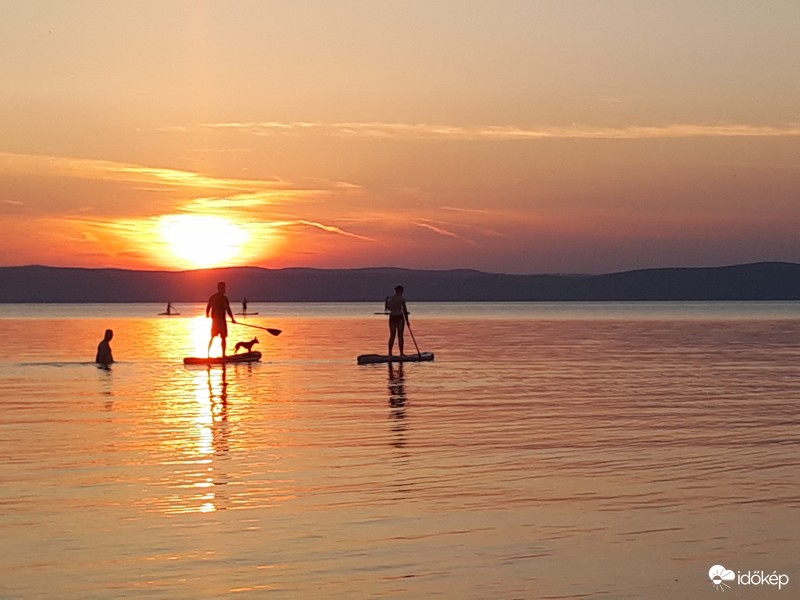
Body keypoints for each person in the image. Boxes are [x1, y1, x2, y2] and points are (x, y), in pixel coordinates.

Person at [206, 281, 236, 357]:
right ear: (221, 288)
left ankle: (209, 355)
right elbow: (227, 309)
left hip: (216, 321)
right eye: (223, 288)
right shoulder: (223, 298)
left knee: (214, 337)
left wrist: (207, 314)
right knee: (222, 337)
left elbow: (208, 307)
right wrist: (232, 319)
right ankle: (222, 355)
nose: (225, 289)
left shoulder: (213, 297)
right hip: (220, 321)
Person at [385, 285, 409, 356]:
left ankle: (390, 353)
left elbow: (388, 309)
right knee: (400, 336)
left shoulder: (390, 299)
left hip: (392, 317)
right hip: (399, 317)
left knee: (392, 335)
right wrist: (407, 321)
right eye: (402, 291)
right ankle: (401, 353)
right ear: (400, 291)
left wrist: (386, 302)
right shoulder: (402, 299)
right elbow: (405, 310)